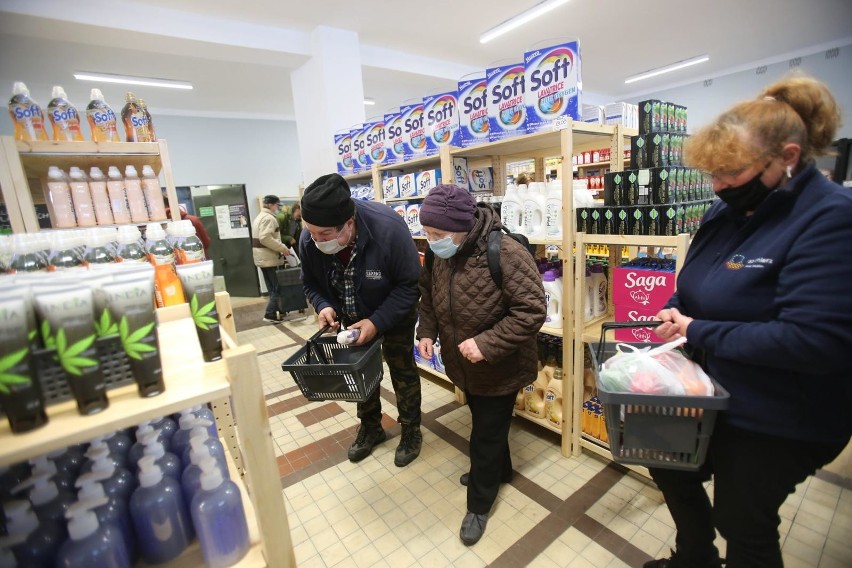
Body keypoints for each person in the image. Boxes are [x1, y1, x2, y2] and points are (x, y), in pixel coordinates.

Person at [646, 75, 852, 568]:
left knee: (742, 521)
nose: (718, 186)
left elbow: (814, 342)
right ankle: (694, 558)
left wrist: (696, 329)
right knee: (665, 461)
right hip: (709, 388)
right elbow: (698, 281)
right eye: (711, 174)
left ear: (787, 157)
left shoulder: (830, 220)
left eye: (731, 173)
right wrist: (675, 306)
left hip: (781, 413)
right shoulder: (725, 210)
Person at [416, 184, 546, 546]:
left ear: (461, 226)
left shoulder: (504, 252)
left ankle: (479, 503)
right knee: (485, 423)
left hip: (500, 365)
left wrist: (487, 344)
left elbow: (532, 310)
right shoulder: (441, 253)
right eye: (427, 233)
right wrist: (426, 331)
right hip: (463, 364)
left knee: (486, 432)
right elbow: (427, 296)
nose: (431, 240)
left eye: (438, 234)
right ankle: (498, 470)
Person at [298, 173, 423, 467]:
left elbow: (409, 286)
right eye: (311, 232)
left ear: (349, 223)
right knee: (358, 374)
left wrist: (377, 322)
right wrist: (323, 305)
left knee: (402, 369)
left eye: (325, 234)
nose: (317, 240)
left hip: (393, 311)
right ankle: (370, 427)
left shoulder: (388, 227)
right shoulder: (310, 238)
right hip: (349, 313)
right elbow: (311, 284)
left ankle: (411, 430)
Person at [251, 195, 291, 324]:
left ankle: (277, 312)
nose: (278, 208)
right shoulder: (268, 218)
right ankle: (270, 314)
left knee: (271, 287)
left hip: (262, 258)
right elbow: (265, 238)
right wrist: (282, 248)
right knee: (276, 288)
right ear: (271, 205)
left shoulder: (259, 217)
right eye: (277, 205)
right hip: (269, 258)